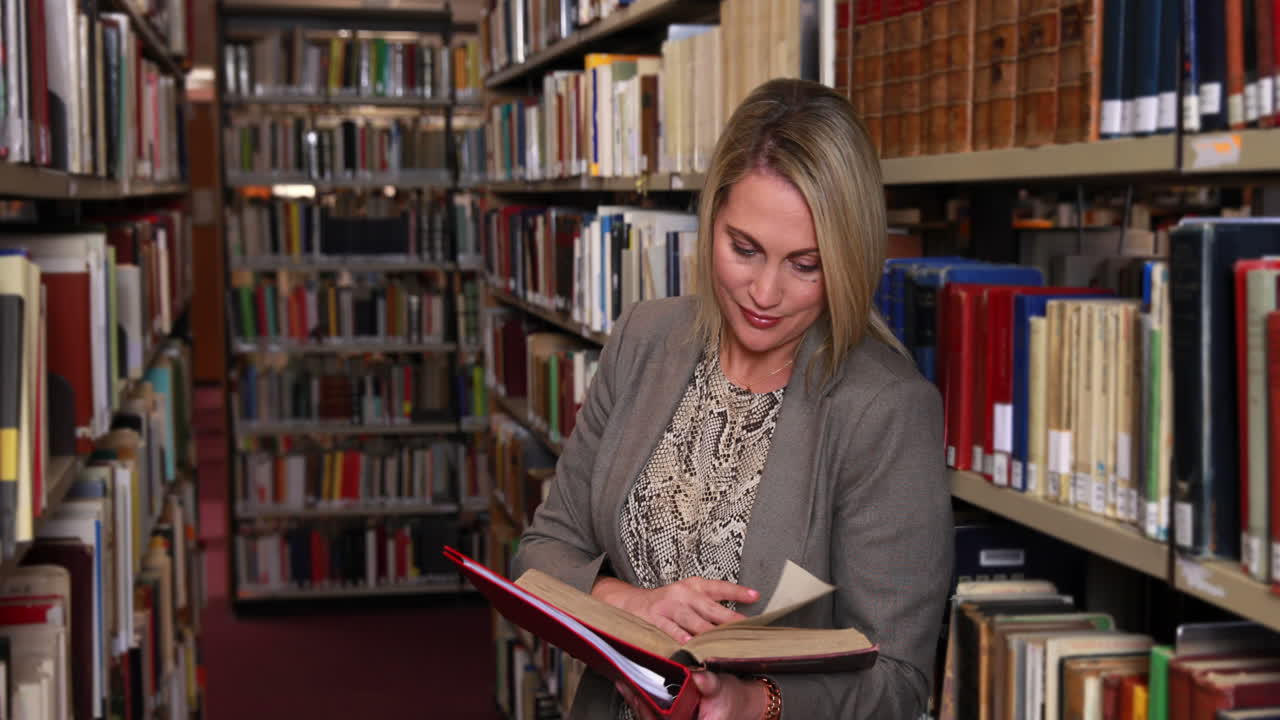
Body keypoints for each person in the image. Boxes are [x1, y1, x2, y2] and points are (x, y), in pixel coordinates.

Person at [511, 77, 953, 719]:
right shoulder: (644, 339)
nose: (765, 293)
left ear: (850, 259)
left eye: (805, 265)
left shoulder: (884, 409)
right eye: (744, 249)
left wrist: (757, 703)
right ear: (710, 218)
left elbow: (899, 678)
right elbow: (542, 551)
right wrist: (632, 603)